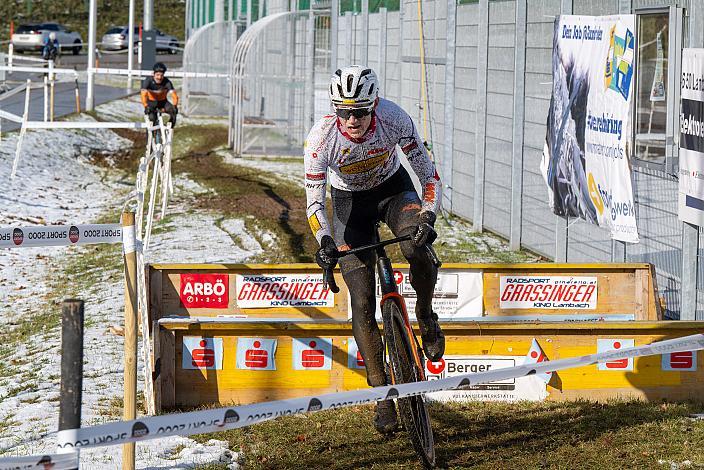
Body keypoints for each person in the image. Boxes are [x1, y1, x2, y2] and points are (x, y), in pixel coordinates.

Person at [304, 65, 444, 434]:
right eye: (343, 111)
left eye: (360, 111)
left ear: (375, 105)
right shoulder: (320, 139)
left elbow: (428, 176)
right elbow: (314, 204)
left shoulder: (394, 118)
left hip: (393, 192)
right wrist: (325, 242)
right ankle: (382, 393)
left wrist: (428, 216)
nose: (352, 120)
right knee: (362, 299)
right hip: (349, 206)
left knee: (416, 244)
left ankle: (426, 316)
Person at [140, 62, 179, 129]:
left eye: (161, 75)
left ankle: (169, 130)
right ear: (153, 74)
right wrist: (146, 106)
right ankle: (151, 134)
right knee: (152, 118)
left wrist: (175, 105)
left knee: (173, 111)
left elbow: (174, 95)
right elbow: (143, 95)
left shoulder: (167, 82)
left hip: (163, 102)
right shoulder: (148, 81)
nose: (159, 77)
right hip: (151, 102)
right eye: (157, 75)